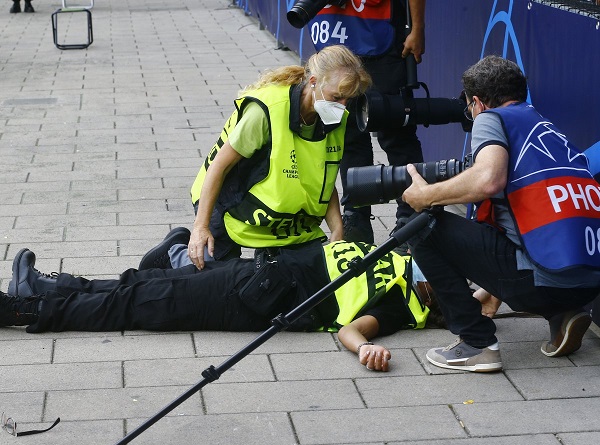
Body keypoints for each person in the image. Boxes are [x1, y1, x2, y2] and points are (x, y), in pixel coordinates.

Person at [401, 55, 600, 372]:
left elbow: (488, 179)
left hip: (542, 284)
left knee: (422, 228)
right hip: (588, 283)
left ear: (477, 102)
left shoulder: (491, 119)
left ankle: (477, 343)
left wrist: (426, 195)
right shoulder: (546, 127)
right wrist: (492, 289)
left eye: (469, 106)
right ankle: (563, 316)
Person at [3, 238, 446, 372]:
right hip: (256, 271)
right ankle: (47, 288)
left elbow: (355, 330)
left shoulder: (404, 303)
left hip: (254, 299)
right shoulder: (402, 258)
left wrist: (365, 349)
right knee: (143, 281)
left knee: (138, 304)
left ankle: (24, 311)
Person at [141, 45, 371, 272]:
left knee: (296, 277)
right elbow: (218, 167)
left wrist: (337, 230)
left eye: (348, 100)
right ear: (313, 83)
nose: (342, 107)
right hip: (227, 197)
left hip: (276, 214)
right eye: (337, 97)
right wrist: (200, 227)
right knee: (216, 278)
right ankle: (174, 254)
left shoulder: (334, 119)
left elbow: (324, 178)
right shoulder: (267, 110)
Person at [309, 0, 426, 246]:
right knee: (347, 135)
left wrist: (417, 28)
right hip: (334, 34)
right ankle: (356, 218)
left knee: (396, 131)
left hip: (382, 36)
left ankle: (411, 217)